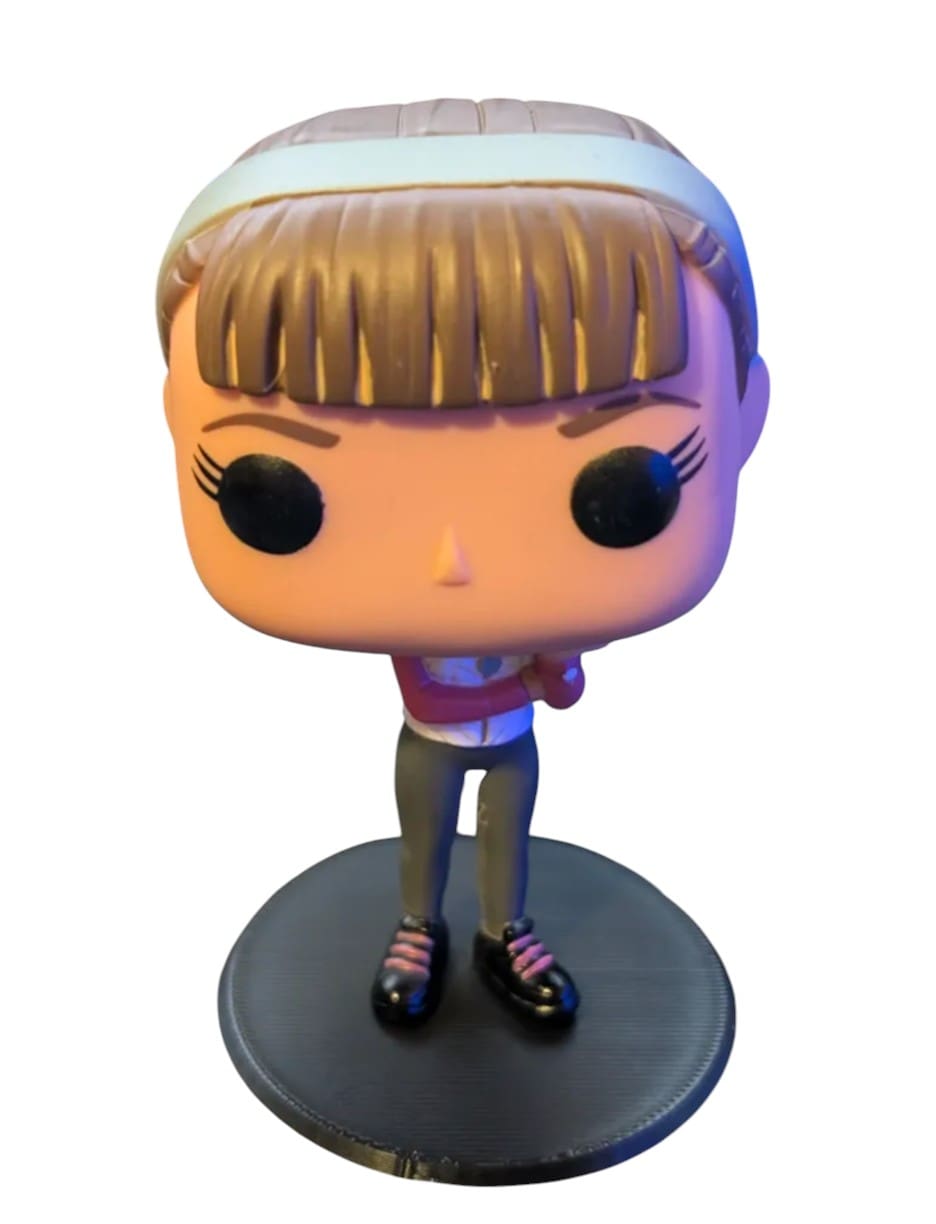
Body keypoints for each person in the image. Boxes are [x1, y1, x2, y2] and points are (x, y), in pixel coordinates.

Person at [157, 97, 769, 1028]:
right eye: (269, 490)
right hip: (433, 741)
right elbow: (436, 692)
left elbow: (562, 691)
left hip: (512, 740)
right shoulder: (430, 634)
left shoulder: (523, 622)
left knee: (506, 838)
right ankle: (416, 929)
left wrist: (558, 668)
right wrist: (538, 671)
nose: (452, 563)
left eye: (624, 484)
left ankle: (504, 933)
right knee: (425, 839)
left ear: (744, 420)